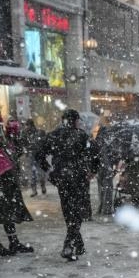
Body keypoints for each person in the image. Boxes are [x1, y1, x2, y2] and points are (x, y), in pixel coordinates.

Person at [38, 109, 99, 261]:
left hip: (61, 177)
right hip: (78, 177)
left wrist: (50, 171)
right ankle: (69, 245)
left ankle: (78, 243)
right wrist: (93, 170)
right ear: (76, 120)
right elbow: (95, 152)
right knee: (77, 212)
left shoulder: (54, 135)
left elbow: (39, 154)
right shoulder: (81, 135)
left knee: (68, 210)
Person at [0, 109, 34, 257]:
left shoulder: (0, 140)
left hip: (1, 179)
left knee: (2, 212)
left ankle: (10, 242)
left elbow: (17, 151)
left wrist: (13, 135)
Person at [22, 120, 47, 196]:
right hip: (30, 155)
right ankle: (34, 190)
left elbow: (43, 142)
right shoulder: (24, 134)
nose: (26, 127)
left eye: (27, 125)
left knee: (40, 173)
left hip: (38, 156)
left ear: (31, 125)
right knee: (32, 174)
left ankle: (43, 187)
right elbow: (23, 143)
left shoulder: (39, 132)